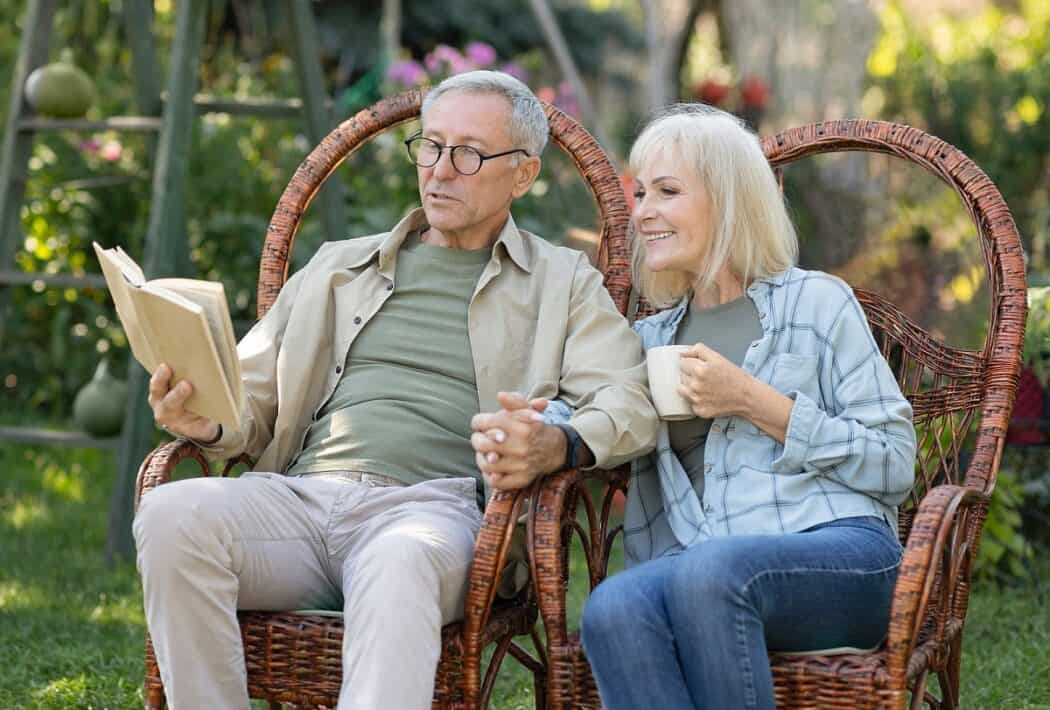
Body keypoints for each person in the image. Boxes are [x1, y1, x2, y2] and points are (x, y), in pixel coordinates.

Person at [135, 70, 657, 710]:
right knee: (171, 514)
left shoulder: (562, 282)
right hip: (298, 499)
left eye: (468, 153)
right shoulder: (337, 266)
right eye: (431, 147)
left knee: (399, 561)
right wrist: (204, 419)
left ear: (522, 174)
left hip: (435, 513)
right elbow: (250, 397)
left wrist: (557, 443)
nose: (440, 170)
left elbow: (628, 404)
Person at [577, 105, 917, 710]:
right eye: (641, 193)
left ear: (729, 200)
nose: (644, 211)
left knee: (712, 572)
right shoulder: (649, 341)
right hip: (698, 567)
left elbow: (894, 464)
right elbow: (591, 412)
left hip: (840, 553)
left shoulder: (817, 303)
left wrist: (756, 402)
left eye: (668, 191)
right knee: (614, 605)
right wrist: (540, 426)